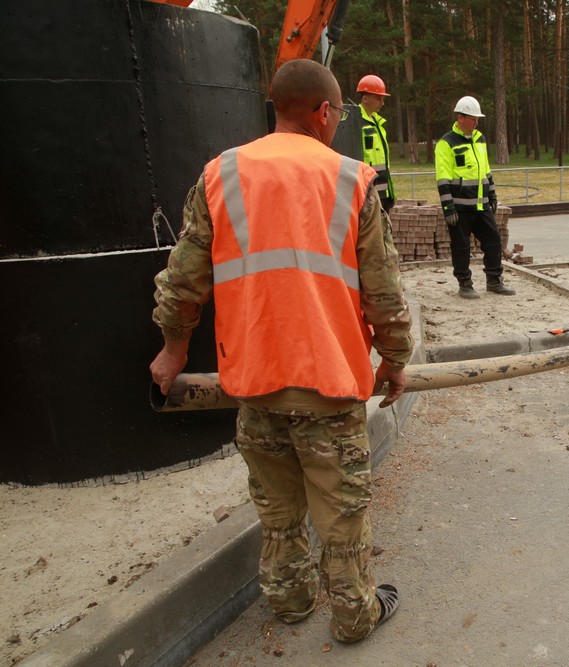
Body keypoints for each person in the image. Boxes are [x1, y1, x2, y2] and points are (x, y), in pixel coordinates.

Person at [149, 59, 413, 644]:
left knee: (278, 510)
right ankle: (354, 616)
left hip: (255, 383)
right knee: (342, 514)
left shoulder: (220, 174)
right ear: (323, 112)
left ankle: (291, 601)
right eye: (338, 112)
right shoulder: (350, 179)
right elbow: (384, 291)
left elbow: (183, 278)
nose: (337, 122)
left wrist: (172, 352)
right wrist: (395, 360)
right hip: (328, 386)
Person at [435, 95, 515, 299]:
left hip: (481, 205)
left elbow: (486, 171)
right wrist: (448, 207)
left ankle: (494, 280)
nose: (476, 123)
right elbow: (443, 178)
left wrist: (492, 194)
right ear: (460, 117)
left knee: (493, 241)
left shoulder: (480, 139)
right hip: (460, 208)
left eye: (477, 119)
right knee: (461, 247)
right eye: (472, 119)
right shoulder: (446, 143)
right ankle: (464, 284)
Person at [356, 74, 396, 213]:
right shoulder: (356, 123)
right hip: (368, 193)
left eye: (383, 98)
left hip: (383, 193)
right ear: (365, 98)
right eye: (378, 98)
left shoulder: (378, 123)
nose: (382, 103)